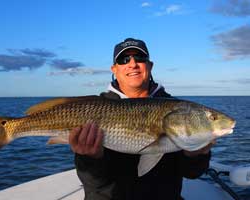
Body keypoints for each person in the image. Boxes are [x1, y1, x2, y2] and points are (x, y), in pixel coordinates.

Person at [69, 38, 213, 200]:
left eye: (139, 58)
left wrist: (194, 156)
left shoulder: (178, 110)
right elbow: (94, 183)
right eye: (124, 60)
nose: (132, 64)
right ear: (114, 69)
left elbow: (192, 173)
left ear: (150, 66)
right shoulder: (92, 108)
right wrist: (89, 159)